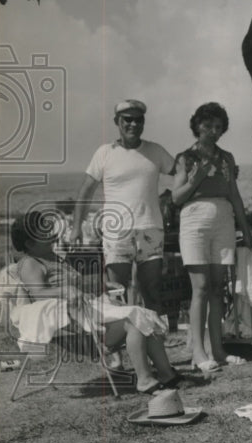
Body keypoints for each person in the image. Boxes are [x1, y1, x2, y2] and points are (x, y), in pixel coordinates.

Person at [7, 211, 182, 394]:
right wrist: (65, 290)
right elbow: (39, 293)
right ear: (29, 243)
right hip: (74, 327)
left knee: (141, 315)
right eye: (43, 231)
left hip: (85, 314)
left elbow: (78, 286)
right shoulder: (31, 264)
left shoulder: (56, 258)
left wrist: (102, 285)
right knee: (134, 322)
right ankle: (145, 380)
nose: (51, 232)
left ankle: (166, 374)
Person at [172, 102, 252, 375]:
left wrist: (246, 227)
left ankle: (218, 350)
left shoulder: (227, 158)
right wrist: (196, 179)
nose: (213, 131)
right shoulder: (185, 158)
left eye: (218, 127)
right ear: (197, 126)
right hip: (194, 220)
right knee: (201, 287)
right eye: (208, 126)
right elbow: (176, 198)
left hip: (223, 219)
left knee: (219, 288)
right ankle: (198, 353)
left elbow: (234, 193)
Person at [70, 99, 175, 313]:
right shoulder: (104, 152)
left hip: (151, 229)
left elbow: (183, 172)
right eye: (128, 119)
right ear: (117, 121)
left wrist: (218, 174)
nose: (133, 124)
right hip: (116, 232)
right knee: (116, 292)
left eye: (138, 120)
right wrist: (76, 228)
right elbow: (86, 191)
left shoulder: (156, 151)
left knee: (152, 291)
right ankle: (118, 345)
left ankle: (151, 342)